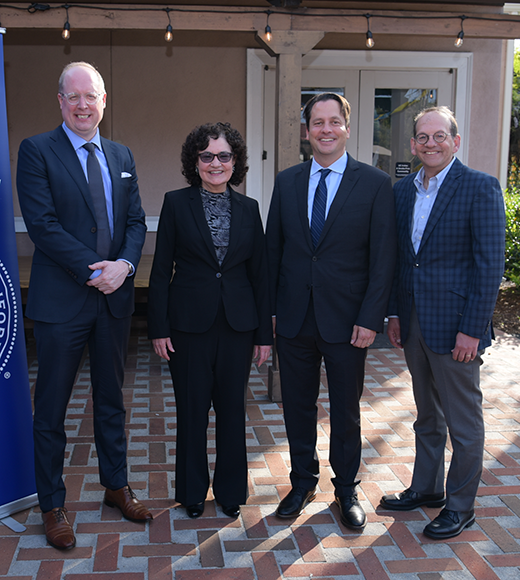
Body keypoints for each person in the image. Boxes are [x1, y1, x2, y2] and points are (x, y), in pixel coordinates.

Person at [17, 62, 150, 551]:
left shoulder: (121, 154)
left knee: (112, 401)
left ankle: (116, 486)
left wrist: (126, 267)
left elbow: (135, 222)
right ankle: (52, 504)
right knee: (51, 409)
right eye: (72, 96)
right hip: (63, 303)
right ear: (60, 102)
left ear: (103, 101)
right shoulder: (36, 151)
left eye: (90, 96)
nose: (81, 104)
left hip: (112, 301)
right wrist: (99, 268)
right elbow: (43, 225)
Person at [266, 93, 397, 531]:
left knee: (346, 409)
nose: (325, 129)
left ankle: (345, 489)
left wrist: (370, 317)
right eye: (317, 123)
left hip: (348, 321)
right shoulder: (286, 182)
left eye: (333, 121)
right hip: (295, 317)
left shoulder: (375, 184)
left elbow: (383, 259)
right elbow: (274, 252)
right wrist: (271, 312)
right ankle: (302, 482)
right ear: (307, 131)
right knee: (297, 407)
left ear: (346, 126)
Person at [379, 106, 506, 540]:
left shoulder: (479, 187)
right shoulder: (402, 191)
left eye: (439, 135)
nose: (431, 143)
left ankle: (460, 507)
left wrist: (473, 329)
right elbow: (401, 260)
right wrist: (395, 313)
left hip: (457, 331)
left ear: (455, 140)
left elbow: (490, 266)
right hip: (414, 324)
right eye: (423, 137)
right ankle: (426, 488)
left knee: (463, 423)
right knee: (427, 415)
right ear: (413, 144)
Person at [147, 122, 272, 520]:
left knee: (233, 411)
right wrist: (158, 328)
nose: (215, 163)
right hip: (188, 327)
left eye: (223, 156)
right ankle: (191, 492)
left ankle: (231, 491)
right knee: (192, 411)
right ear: (194, 161)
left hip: (238, 326)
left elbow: (260, 276)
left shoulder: (250, 209)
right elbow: (161, 268)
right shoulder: (175, 203)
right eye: (206, 156)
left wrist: (264, 335)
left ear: (235, 162)